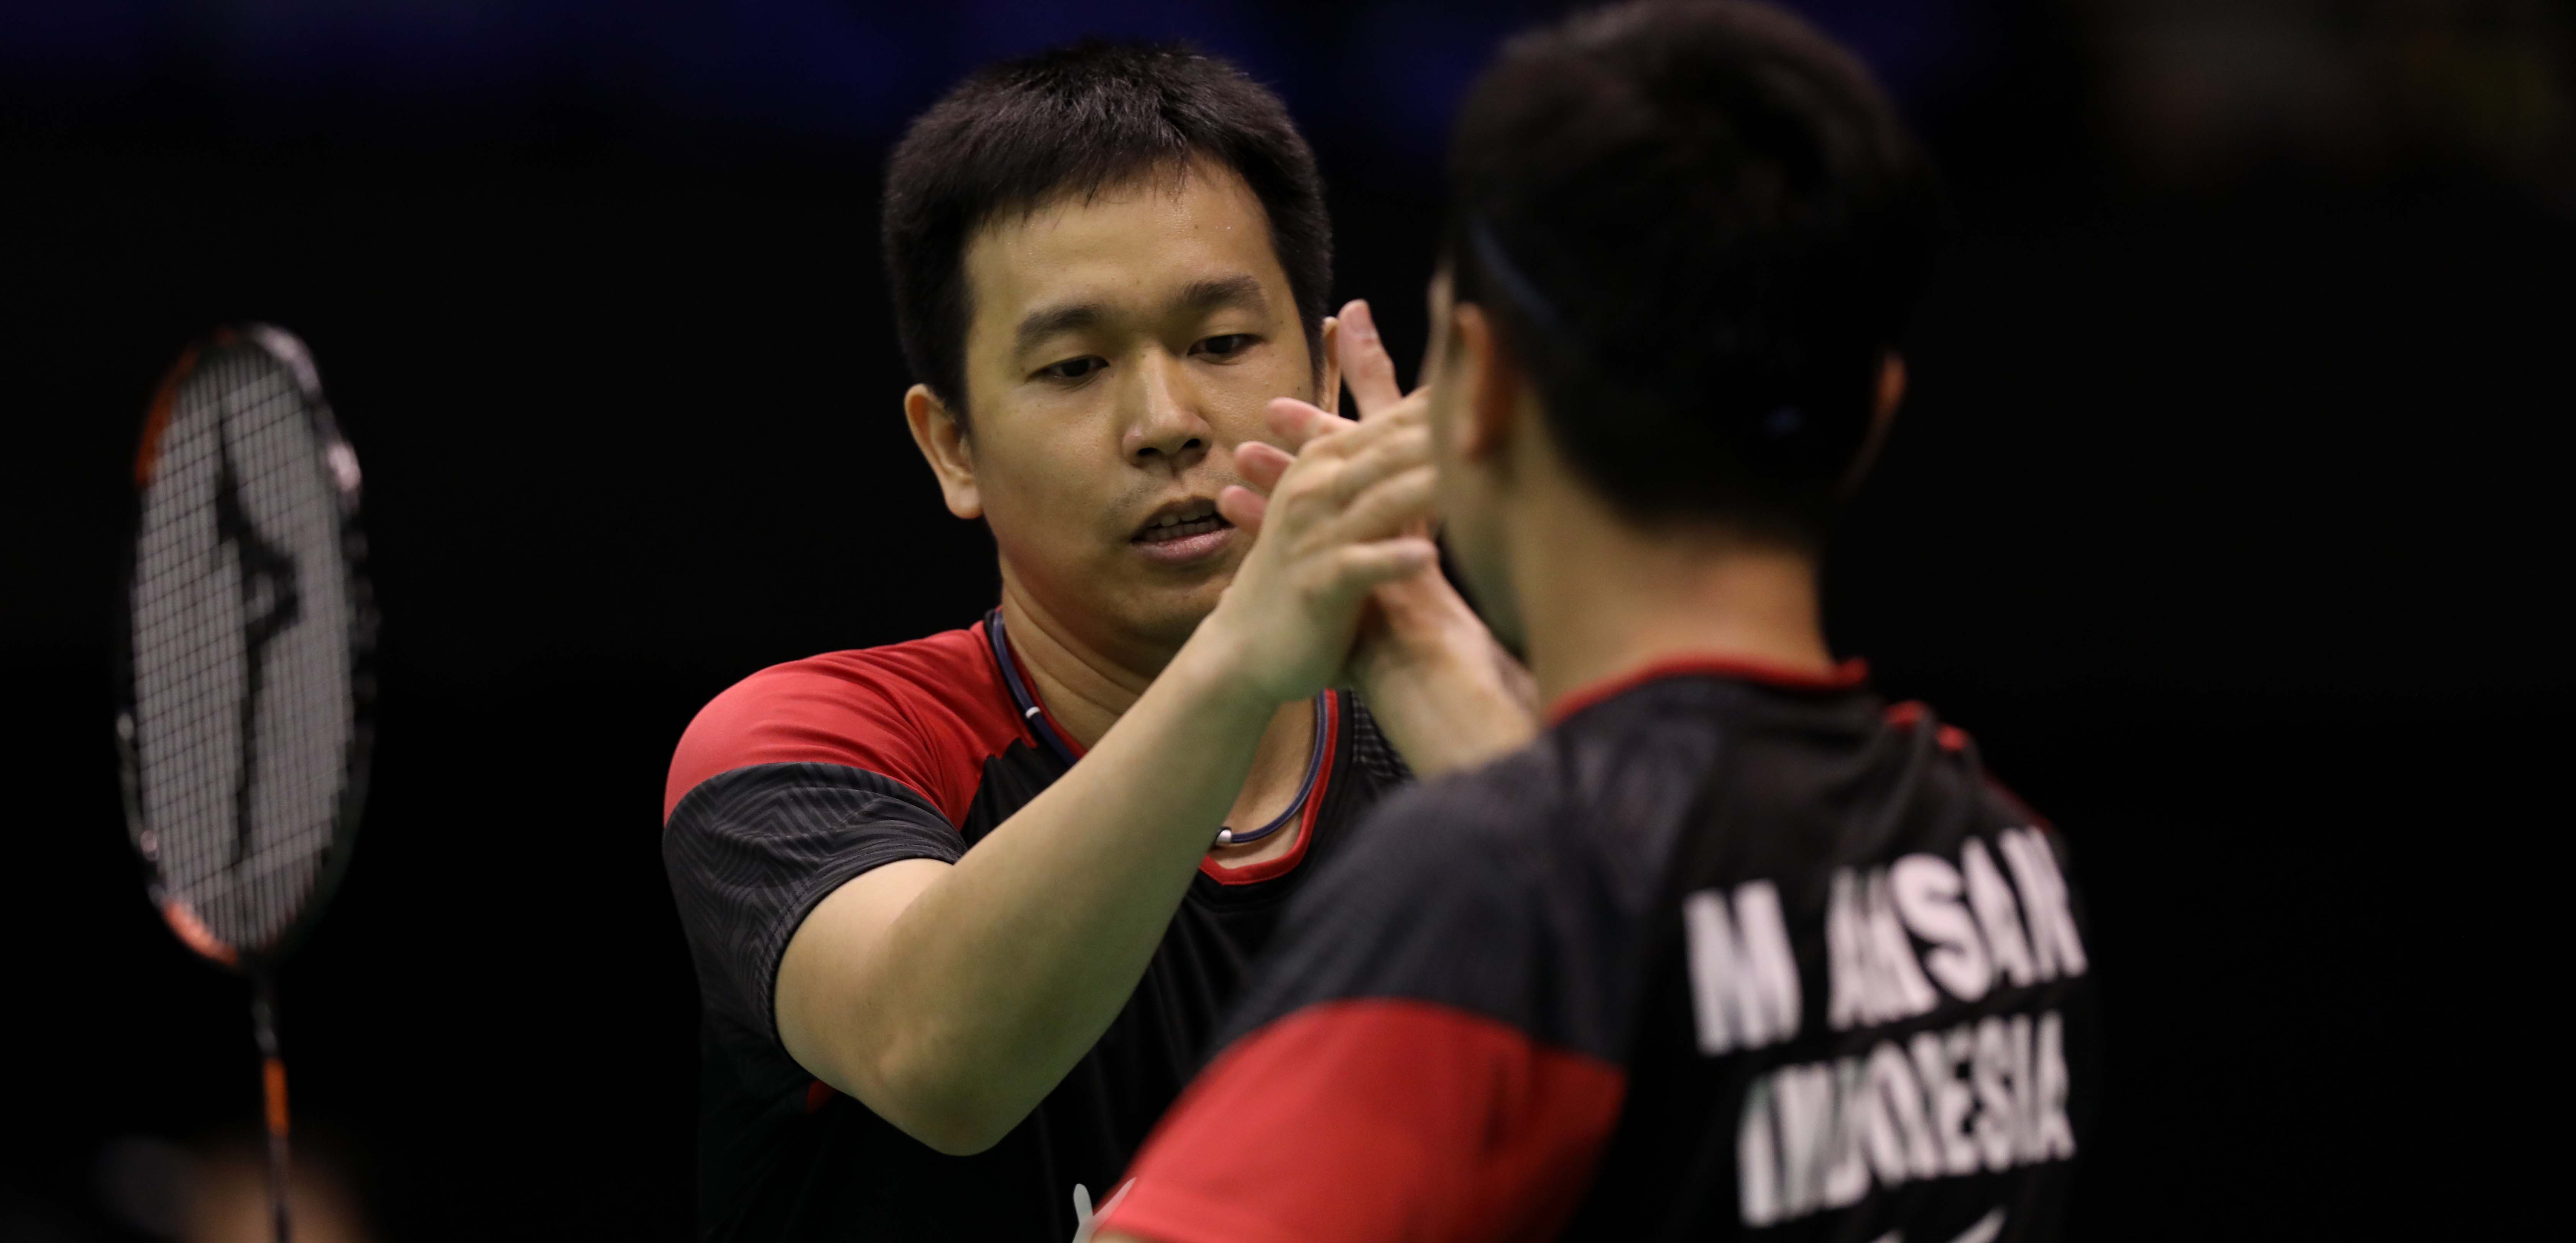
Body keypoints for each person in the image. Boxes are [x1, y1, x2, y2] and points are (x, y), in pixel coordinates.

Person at [1095, 4, 2098, 1241]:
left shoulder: (1487, 882)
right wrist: (1417, 637)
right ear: (1872, 416)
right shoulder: (2002, 859)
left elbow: (1591, 885)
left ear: (1485, 388)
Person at [658, 41, 1533, 1242]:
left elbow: (1690, 1034)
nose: (1167, 422)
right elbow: (939, 1059)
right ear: (953, 446)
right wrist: (1246, 653)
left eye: (1222, 344)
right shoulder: (809, 749)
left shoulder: (1471, 743)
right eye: (1075, 366)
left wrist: (1421, 649)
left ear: (1329, 378)